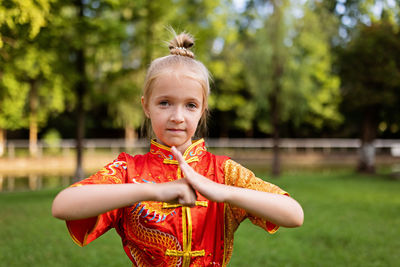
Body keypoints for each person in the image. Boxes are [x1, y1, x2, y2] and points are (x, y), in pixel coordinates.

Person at [52, 30, 304, 267]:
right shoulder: (128, 170)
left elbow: (294, 214)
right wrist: (156, 192)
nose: (177, 116)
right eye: (164, 103)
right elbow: (63, 205)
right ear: (146, 106)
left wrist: (222, 192)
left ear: (202, 110)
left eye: (190, 105)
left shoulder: (222, 171)